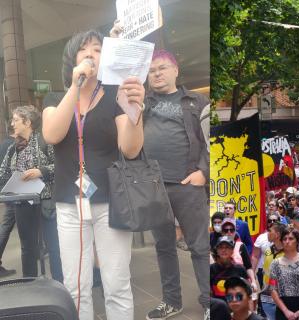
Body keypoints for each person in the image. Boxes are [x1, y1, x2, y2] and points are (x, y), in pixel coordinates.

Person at [42, 30, 144, 319]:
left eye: (97, 49)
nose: (90, 54)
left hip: (111, 201)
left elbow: (131, 148)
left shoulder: (116, 95)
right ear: (71, 60)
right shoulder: (56, 96)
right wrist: (76, 86)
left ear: (106, 57)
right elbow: (51, 133)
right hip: (68, 203)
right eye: (83, 50)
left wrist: (136, 109)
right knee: (75, 286)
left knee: (117, 284)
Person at [141, 49, 210, 319]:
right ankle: (172, 300)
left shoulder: (197, 101)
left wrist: (203, 172)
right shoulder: (142, 102)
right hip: (154, 186)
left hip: (188, 184)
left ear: (175, 70)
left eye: (162, 68)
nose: (156, 74)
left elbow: (210, 141)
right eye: (151, 70)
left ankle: (208, 303)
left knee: (200, 246)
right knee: (164, 246)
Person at [0, 105, 62, 282]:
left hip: (45, 202)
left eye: (16, 120)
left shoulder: (44, 141)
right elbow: (2, 173)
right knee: (27, 248)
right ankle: (29, 284)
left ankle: (60, 283)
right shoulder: (13, 148)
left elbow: (60, 165)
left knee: (53, 246)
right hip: (22, 203)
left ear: (27, 122)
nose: (12, 123)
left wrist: (41, 171)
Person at [270, 227, 299, 320]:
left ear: (297, 241)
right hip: (283, 307)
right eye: (284, 239)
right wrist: (285, 311)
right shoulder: (275, 263)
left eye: (291, 238)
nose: (287, 241)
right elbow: (272, 289)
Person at [260, 222, 286, 320]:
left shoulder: (288, 253)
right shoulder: (268, 250)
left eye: (270, 231)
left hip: (282, 298)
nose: (267, 233)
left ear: (277, 235)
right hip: (266, 297)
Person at [210, 236, 248, 301]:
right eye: (221, 247)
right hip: (217, 308)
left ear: (232, 250)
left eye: (227, 247)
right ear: (217, 251)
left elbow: (246, 292)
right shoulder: (211, 269)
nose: (224, 250)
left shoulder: (240, 269)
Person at [0, 130, 16, 278]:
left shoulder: (4, 144)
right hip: (14, 191)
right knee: (6, 226)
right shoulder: (12, 145)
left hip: (7, 190)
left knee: (6, 226)